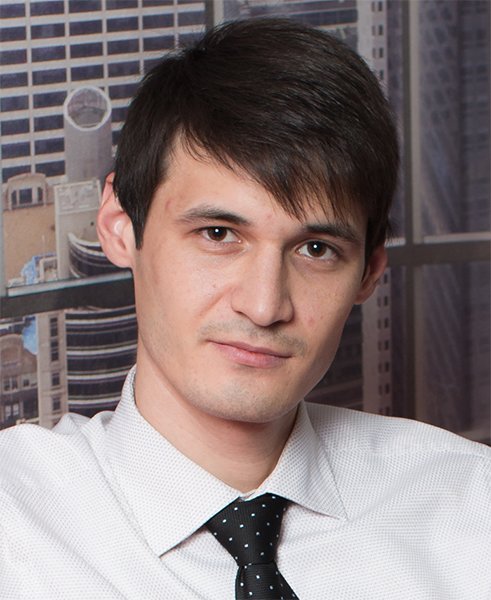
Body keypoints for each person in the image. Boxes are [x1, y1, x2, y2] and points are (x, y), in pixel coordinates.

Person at [1, 17, 491, 600]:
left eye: (316, 249)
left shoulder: (468, 508)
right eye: (218, 234)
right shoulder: (17, 522)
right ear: (119, 227)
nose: (263, 306)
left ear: (368, 273)